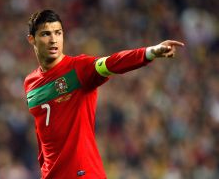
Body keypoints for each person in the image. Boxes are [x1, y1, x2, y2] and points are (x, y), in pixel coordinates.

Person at [23, 9, 184, 179]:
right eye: (46, 34)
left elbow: (112, 62)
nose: (54, 40)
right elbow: (42, 133)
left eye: (58, 33)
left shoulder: (78, 69)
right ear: (31, 39)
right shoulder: (30, 83)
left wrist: (149, 52)